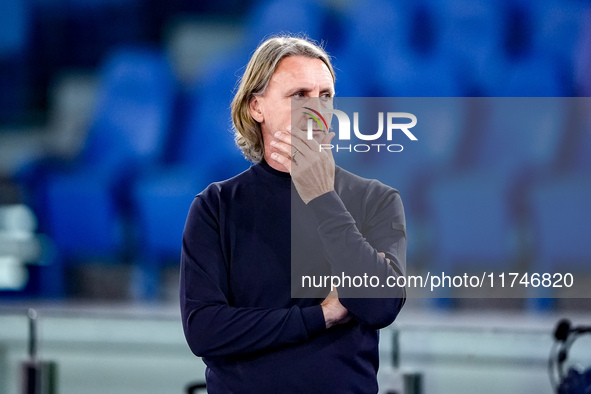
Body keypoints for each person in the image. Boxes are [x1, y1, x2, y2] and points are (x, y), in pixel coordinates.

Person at [180, 34, 407, 393]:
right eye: (299, 95)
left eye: (326, 96)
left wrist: (321, 196)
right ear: (257, 108)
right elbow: (205, 331)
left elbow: (379, 306)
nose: (316, 109)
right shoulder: (216, 206)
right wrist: (320, 316)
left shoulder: (375, 199)